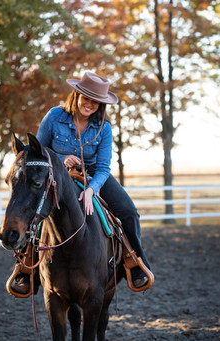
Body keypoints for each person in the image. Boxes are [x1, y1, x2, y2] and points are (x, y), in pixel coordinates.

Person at [12, 71, 151, 293]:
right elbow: (40, 153)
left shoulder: (103, 128)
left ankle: (136, 263)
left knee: (129, 212)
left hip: (93, 174)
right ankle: (25, 270)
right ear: (76, 95)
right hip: (57, 175)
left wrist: (91, 191)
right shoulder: (54, 116)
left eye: (95, 101)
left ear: (101, 104)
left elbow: (104, 167)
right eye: (86, 98)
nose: (90, 104)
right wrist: (61, 159)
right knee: (37, 211)